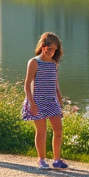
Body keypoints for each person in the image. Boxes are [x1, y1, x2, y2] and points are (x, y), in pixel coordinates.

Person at [21, 32, 67, 169]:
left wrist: (60, 100)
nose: (51, 52)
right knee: (42, 131)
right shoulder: (34, 62)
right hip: (37, 101)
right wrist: (31, 103)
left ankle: (57, 160)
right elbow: (27, 84)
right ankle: (41, 159)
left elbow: (55, 84)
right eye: (49, 49)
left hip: (52, 101)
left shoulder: (53, 64)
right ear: (42, 46)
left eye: (54, 50)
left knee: (58, 130)